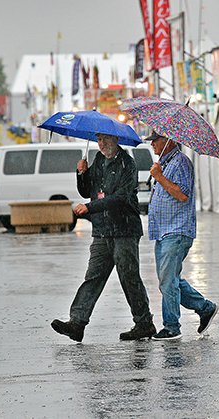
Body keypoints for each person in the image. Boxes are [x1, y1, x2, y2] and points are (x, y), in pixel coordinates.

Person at [51, 133, 156, 343]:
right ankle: (77, 323)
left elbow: (120, 197)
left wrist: (90, 207)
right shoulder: (98, 160)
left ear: (116, 140)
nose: (102, 144)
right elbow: (86, 191)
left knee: (129, 277)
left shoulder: (128, 164)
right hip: (102, 230)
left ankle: (144, 323)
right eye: (99, 140)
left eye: (106, 140)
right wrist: (81, 174)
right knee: (93, 276)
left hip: (124, 229)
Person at [146, 131, 218, 340]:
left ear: (168, 141)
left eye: (155, 141)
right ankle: (205, 308)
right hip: (163, 230)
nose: (153, 145)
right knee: (170, 279)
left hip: (176, 230)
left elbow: (182, 194)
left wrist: (159, 177)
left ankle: (172, 327)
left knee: (168, 281)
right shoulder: (165, 163)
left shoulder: (181, 163)